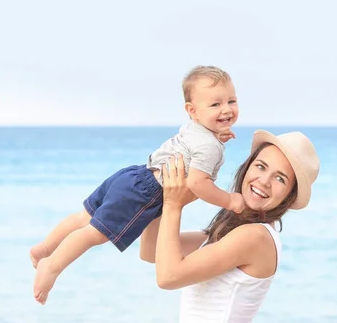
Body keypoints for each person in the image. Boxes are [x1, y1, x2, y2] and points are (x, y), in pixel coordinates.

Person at [31, 65, 245, 304]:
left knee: (83, 217)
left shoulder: (195, 129)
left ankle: (44, 248)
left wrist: (217, 134)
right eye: (215, 105)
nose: (226, 109)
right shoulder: (209, 146)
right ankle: (51, 266)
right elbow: (198, 183)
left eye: (231, 101)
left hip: (133, 176)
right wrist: (230, 201)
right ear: (193, 111)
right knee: (93, 234)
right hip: (148, 194)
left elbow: (193, 145)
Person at [140, 129, 320, 323]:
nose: (264, 181)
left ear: (289, 196)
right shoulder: (229, 233)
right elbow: (151, 251)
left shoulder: (255, 237)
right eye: (260, 167)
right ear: (247, 167)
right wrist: (161, 189)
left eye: (280, 179)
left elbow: (168, 277)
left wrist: (173, 204)